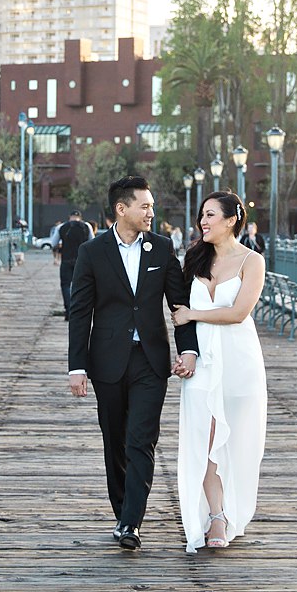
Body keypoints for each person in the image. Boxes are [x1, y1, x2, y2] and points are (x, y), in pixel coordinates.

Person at [68, 175, 199, 551]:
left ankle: (131, 524)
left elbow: (179, 305)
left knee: (141, 439)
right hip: (106, 362)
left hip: (150, 361)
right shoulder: (92, 252)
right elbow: (80, 313)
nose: (151, 213)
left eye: (152, 206)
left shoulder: (161, 248)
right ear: (121, 209)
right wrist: (77, 367)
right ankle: (123, 510)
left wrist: (187, 348)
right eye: (145, 206)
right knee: (115, 440)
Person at [170, 191, 267, 553]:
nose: (203, 221)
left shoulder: (251, 261)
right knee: (205, 439)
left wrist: (193, 314)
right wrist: (187, 352)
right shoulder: (194, 257)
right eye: (201, 215)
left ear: (231, 220)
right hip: (204, 360)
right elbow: (177, 309)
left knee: (237, 439)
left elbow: (239, 312)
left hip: (239, 360)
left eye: (210, 215)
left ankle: (232, 507)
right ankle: (215, 515)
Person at [57, 209, 94, 311]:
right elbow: (92, 242)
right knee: (82, 285)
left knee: (66, 285)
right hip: (82, 261)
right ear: (80, 218)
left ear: (69, 217)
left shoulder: (62, 227)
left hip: (66, 260)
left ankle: (68, 309)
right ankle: (80, 309)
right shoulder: (86, 226)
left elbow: (53, 242)